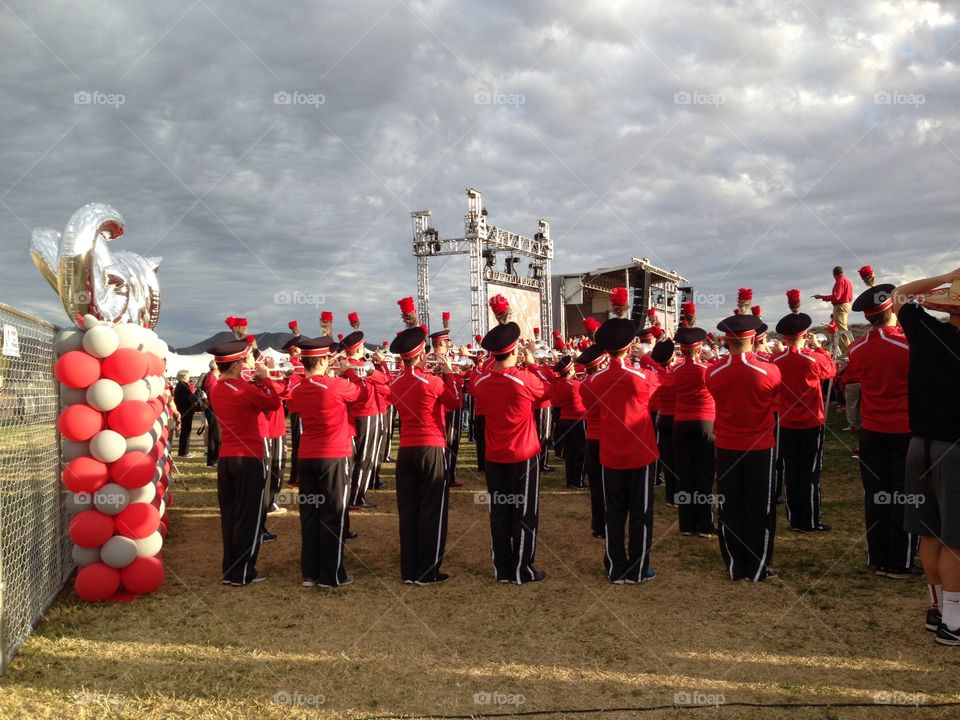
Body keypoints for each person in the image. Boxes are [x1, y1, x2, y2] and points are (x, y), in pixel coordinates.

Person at [892, 268, 960, 645]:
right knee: (955, 540)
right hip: (954, 450)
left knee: (930, 531)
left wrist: (947, 275)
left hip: (920, 445)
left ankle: (937, 610)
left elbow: (899, 293)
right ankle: (953, 621)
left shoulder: (926, 332)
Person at [580, 317, 660, 584]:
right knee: (641, 514)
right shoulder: (643, 377)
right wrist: (647, 358)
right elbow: (665, 384)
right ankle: (637, 569)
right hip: (640, 452)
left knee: (613, 514)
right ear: (629, 346)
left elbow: (589, 402)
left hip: (611, 454)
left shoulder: (594, 381)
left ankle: (616, 568)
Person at [843, 284, 916, 579]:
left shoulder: (856, 349)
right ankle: (899, 560)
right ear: (891, 311)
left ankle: (878, 554)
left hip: (871, 429)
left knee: (875, 493)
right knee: (904, 495)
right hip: (903, 428)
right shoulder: (907, 346)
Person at [286, 336, 368, 588]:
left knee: (310, 514)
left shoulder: (298, 389)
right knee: (334, 514)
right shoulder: (334, 385)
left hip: (308, 456)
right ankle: (332, 574)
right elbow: (362, 396)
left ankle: (310, 573)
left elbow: (293, 403)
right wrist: (350, 373)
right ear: (322, 360)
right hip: (333, 455)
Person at [706, 314, 782, 582]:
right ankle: (758, 565)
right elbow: (773, 397)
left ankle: (735, 565)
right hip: (759, 445)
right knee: (760, 506)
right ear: (753, 338)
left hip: (727, 445)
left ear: (726, 340)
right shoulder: (769, 370)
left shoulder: (712, 371)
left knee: (731, 506)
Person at [471, 323, 548, 584]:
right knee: (524, 513)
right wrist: (533, 362)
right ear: (514, 349)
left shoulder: (480, 382)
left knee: (500, 511)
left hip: (495, 456)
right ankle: (522, 569)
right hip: (523, 455)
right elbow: (547, 390)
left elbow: (475, 383)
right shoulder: (523, 379)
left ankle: (502, 568)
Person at [389, 326, 463, 584]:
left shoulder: (395, 383)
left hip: (406, 450)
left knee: (408, 510)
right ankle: (427, 571)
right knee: (433, 509)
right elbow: (455, 402)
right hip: (431, 446)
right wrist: (450, 374)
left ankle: (409, 570)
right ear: (421, 353)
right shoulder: (432, 382)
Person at [207, 339, 283, 586]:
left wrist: (256, 381)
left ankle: (230, 569)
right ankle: (243, 571)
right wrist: (267, 378)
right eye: (245, 359)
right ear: (237, 364)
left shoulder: (217, 388)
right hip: (249, 457)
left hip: (227, 458)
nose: (248, 362)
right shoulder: (244, 389)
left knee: (230, 515)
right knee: (249, 516)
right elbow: (273, 403)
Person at [771, 313, 836, 533]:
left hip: (787, 421)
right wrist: (818, 347)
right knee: (810, 473)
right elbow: (831, 370)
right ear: (805, 334)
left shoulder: (776, 360)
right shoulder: (813, 358)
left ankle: (794, 518)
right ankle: (809, 520)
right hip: (810, 421)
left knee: (791, 470)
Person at [671, 327, 717, 538]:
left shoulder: (676, 371)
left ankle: (687, 524)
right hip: (705, 422)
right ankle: (705, 524)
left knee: (685, 474)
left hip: (681, 423)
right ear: (699, 350)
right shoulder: (708, 369)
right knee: (704, 474)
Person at [340, 332, 390, 510]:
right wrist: (382, 362)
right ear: (359, 348)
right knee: (365, 457)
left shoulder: (347, 365)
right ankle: (356, 496)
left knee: (362, 456)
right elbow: (385, 377)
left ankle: (355, 494)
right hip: (367, 413)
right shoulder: (360, 366)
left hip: (359, 414)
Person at [576, 344, 608, 538]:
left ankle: (598, 525)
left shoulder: (584, 385)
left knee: (596, 485)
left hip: (592, 438)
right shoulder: (602, 383)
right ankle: (606, 524)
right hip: (606, 438)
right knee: (609, 486)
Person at [550, 356, 586, 489]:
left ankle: (570, 480)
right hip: (578, 420)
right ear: (570, 370)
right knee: (580, 453)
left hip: (564, 420)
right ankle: (578, 481)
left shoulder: (558, 384)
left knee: (570, 453)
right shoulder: (576, 385)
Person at [813, 266, 855, 351]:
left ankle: (849, 350)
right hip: (846, 305)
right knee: (843, 329)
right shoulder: (847, 280)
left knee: (843, 330)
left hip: (840, 306)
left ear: (834, 274)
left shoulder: (840, 281)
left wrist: (822, 297)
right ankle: (849, 349)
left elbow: (837, 297)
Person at [173, 370, 200, 457]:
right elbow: (190, 398)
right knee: (186, 431)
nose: (189, 377)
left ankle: (183, 451)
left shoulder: (180, 385)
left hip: (183, 410)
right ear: (184, 376)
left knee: (185, 431)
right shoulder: (183, 386)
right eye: (188, 376)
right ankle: (183, 452)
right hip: (186, 411)